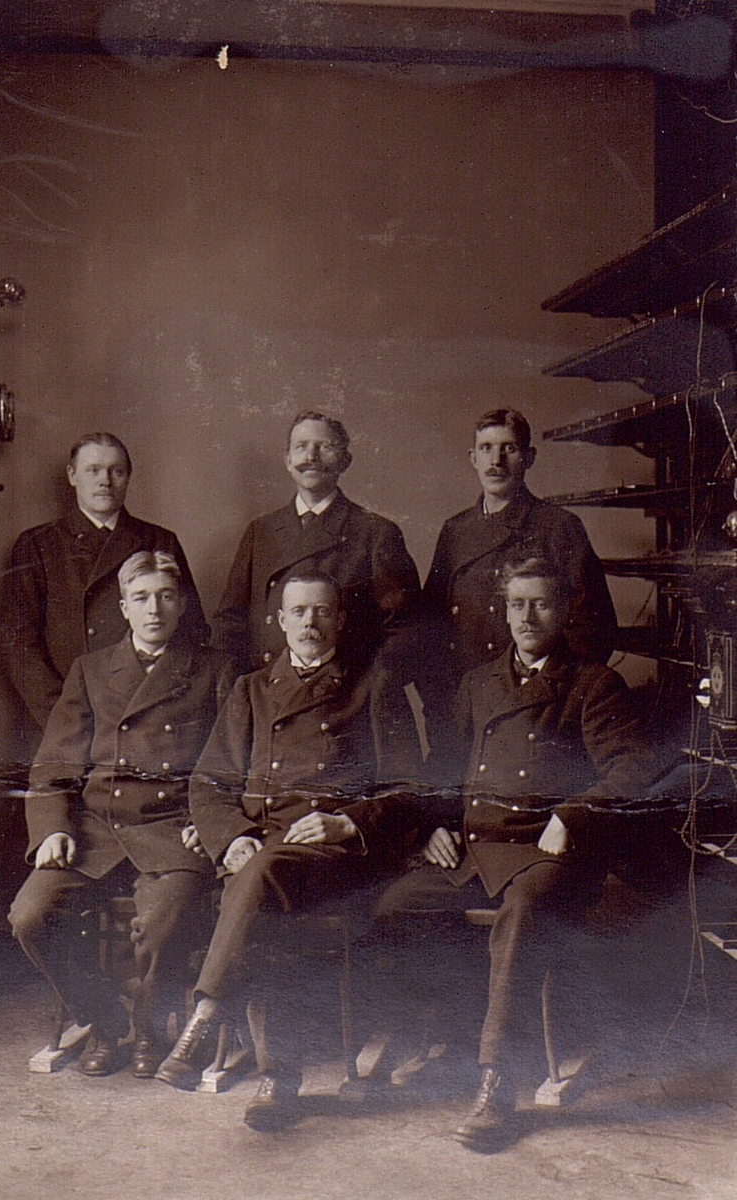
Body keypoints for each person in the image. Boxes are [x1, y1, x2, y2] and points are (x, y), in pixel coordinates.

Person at [376, 551, 656, 1152]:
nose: (528, 617)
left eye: (542, 604)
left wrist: (572, 815)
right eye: (518, 604)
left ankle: (497, 1079)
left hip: (549, 850)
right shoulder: (478, 683)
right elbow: (444, 769)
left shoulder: (593, 684)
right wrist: (432, 827)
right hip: (479, 847)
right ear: (503, 612)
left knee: (522, 913)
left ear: (565, 611)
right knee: (394, 907)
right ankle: (448, 1035)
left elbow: (633, 768)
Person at [155, 569, 423, 1128]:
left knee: (260, 878)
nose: (310, 623)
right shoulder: (251, 690)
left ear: (340, 620)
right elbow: (208, 784)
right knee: (262, 887)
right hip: (264, 849)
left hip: (338, 856)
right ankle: (276, 1079)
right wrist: (231, 837)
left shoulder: (373, 685)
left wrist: (346, 823)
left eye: (322, 611)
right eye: (298, 612)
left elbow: (409, 788)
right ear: (280, 622)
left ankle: (207, 1013)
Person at [8, 552, 236, 1079]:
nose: (154, 609)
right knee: (29, 917)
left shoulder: (215, 669)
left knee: (161, 927)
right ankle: (105, 1020)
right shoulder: (90, 670)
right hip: (97, 829)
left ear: (182, 605)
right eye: (141, 598)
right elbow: (55, 763)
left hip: (174, 827)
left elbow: (232, 762)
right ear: (124, 608)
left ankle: (150, 1028)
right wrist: (53, 828)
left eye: (166, 597)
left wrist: (211, 822)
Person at [418, 408, 617, 767]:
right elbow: (429, 626)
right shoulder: (456, 531)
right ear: (473, 458)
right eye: (486, 448)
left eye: (508, 449)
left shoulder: (559, 527)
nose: (496, 461)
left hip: (538, 713)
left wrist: (548, 697)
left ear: (529, 457)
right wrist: (440, 698)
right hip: (463, 709)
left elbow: (594, 630)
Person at [1, 432, 209, 745]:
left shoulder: (159, 541)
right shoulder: (37, 545)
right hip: (62, 720)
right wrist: (64, 716)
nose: (105, 481)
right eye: (93, 470)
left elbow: (190, 630)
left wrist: (153, 711)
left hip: (144, 721)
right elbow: (19, 646)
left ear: (128, 477)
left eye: (117, 471)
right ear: (72, 476)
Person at [212, 412, 420, 677]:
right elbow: (230, 623)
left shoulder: (375, 533)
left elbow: (404, 629)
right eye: (301, 447)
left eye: (324, 447)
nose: (311, 456)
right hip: (269, 687)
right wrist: (238, 688)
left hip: (344, 691)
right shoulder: (260, 531)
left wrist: (367, 687)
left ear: (345, 461)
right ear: (288, 460)